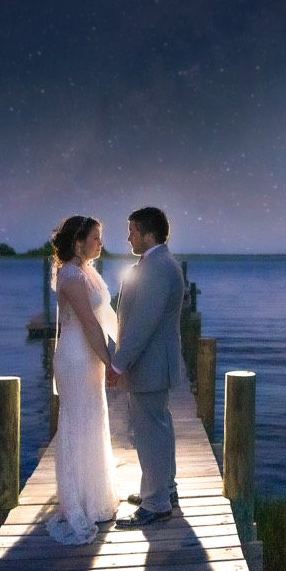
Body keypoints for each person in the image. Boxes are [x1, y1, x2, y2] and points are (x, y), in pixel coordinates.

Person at [45, 215, 120, 545]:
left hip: (89, 355)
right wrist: (112, 363)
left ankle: (96, 496)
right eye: (95, 238)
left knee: (93, 419)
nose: (101, 244)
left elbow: (105, 319)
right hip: (77, 356)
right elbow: (89, 325)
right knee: (79, 422)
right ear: (78, 242)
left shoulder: (87, 272)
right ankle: (78, 501)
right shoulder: (72, 276)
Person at [109, 206, 185, 528]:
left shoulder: (156, 267)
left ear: (148, 233)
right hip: (155, 364)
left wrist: (118, 362)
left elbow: (143, 324)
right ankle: (164, 489)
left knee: (150, 432)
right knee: (159, 428)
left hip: (149, 366)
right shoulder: (159, 263)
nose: (128, 237)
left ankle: (156, 504)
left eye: (132, 231)